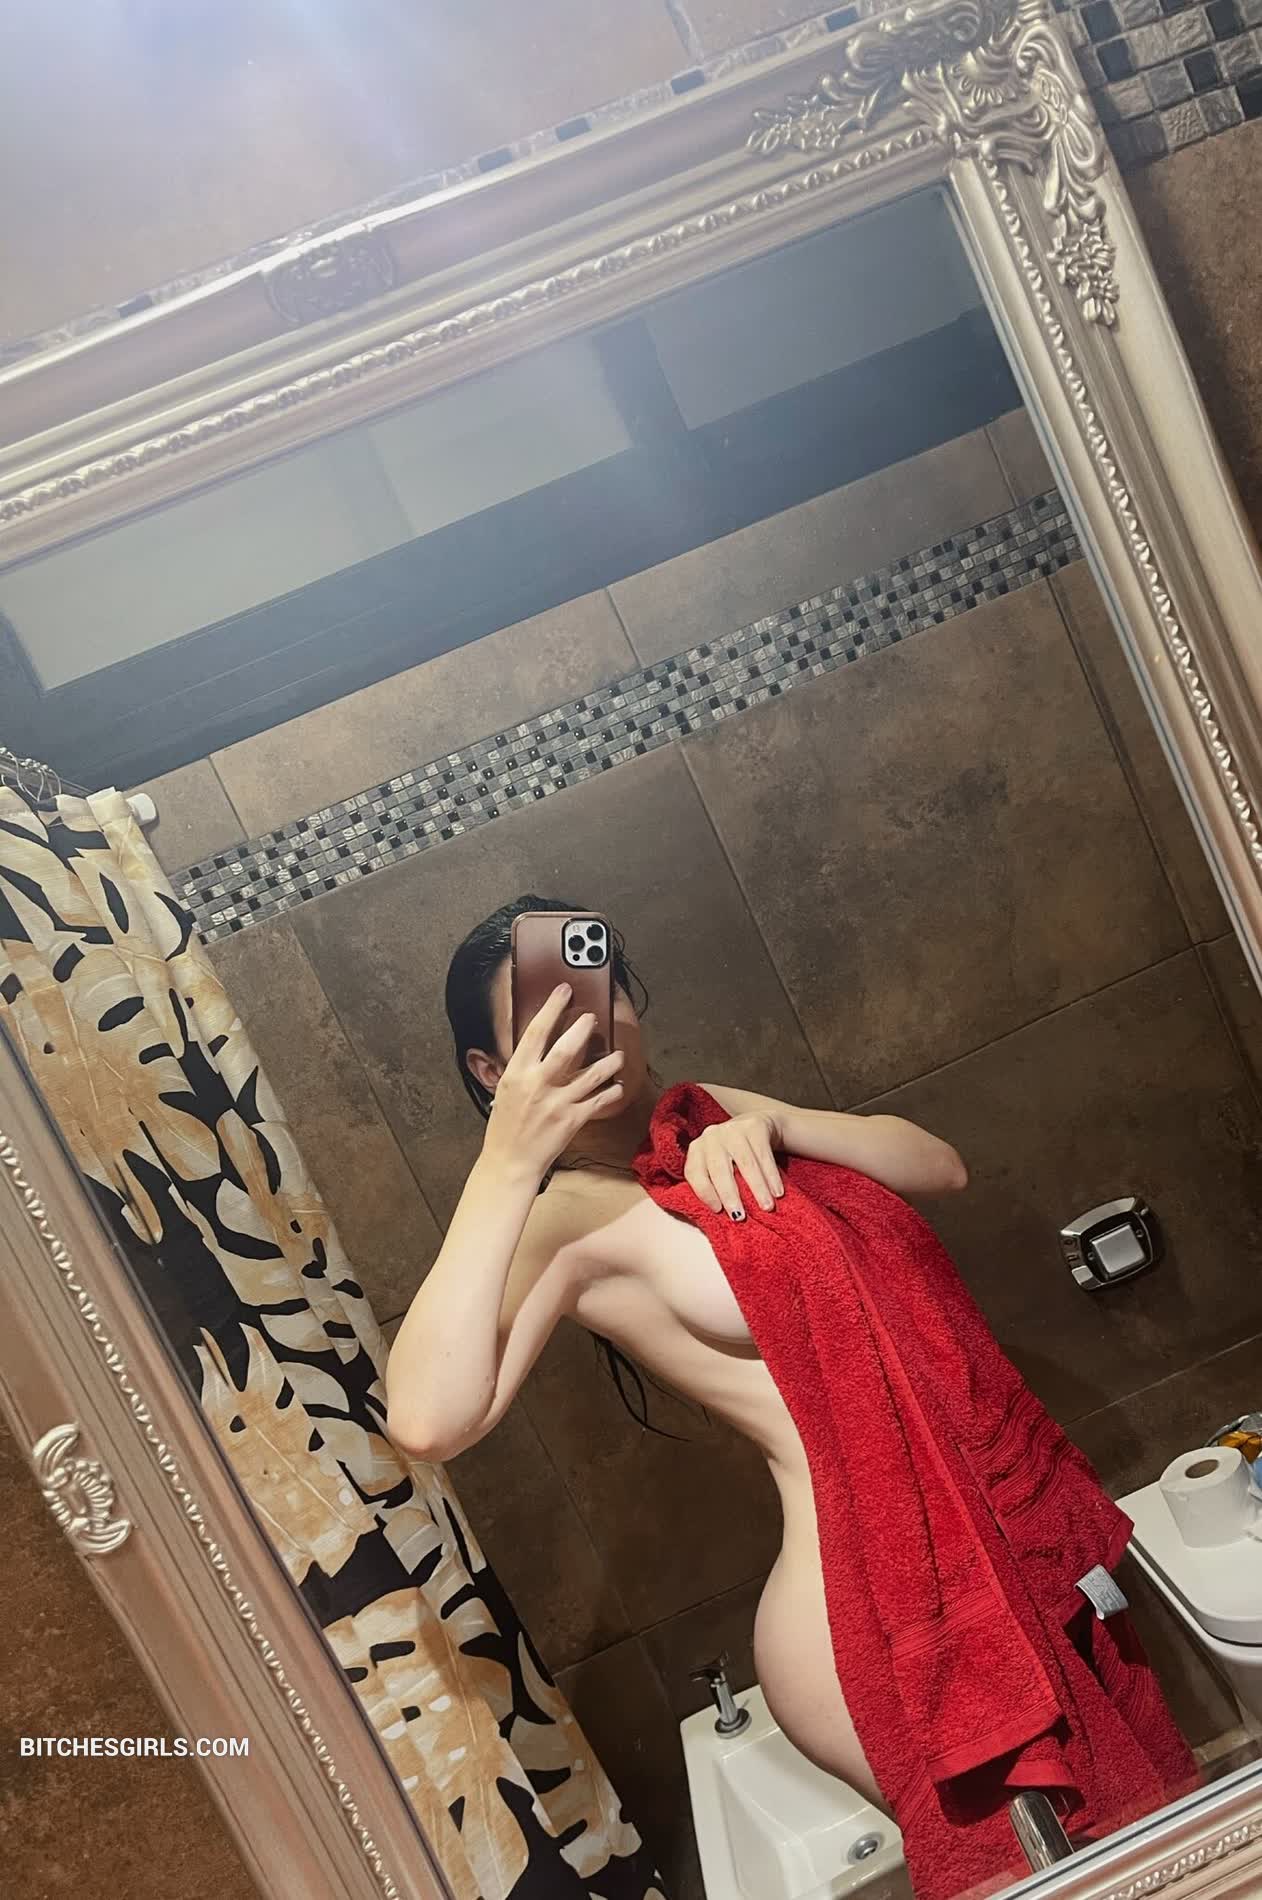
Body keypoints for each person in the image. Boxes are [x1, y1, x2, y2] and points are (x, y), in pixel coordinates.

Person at [385, 895, 969, 1810]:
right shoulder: (562, 1221)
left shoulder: (707, 1113)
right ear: (493, 1070)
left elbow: (939, 1167)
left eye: (603, 990)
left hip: (969, 1529)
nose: (591, 1025)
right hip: (856, 1606)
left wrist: (777, 1126)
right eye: (546, 1017)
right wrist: (505, 1162)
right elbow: (426, 1421)